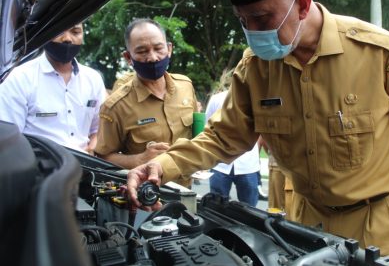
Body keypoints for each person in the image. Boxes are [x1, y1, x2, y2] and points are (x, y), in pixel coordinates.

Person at [127, 0, 389, 266]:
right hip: (303, 224)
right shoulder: (254, 69)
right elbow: (224, 137)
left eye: (260, 18)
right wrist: (164, 165)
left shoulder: (380, 53)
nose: (251, 32)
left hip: (380, 222)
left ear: (302, 5)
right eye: (243, 20)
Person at [94, 18, 198, 187]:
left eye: (158, 48)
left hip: (187, 192)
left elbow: (195, 135)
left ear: (169, 49)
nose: (153, 57)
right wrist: (140, 159)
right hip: (147, 196)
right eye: (142, 52)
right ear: (128, 57)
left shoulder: (185, 86)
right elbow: (103, 157)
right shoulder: (116, 106)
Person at [0, 23, 106, 153]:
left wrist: (95, 143)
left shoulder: (93, 79)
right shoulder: (19, 78)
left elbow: (99, 129)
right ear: (45, 34)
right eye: (58, 31)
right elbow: (9, 138)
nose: (67, 39)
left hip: (88, 168)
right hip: (40, 168)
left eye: (76, 32)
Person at [204, 70, 261, 206]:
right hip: (220, 163)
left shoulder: (255, 101)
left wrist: (257, 150)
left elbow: (262, 129)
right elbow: (207, 127)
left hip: (248, 164)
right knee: (216, 207)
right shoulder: (217, 99)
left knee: (250, 208)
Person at [258, 137, 293, 217]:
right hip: (277, 164)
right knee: (276, 211)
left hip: (302, 167)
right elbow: (264, 138)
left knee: (298, 211)